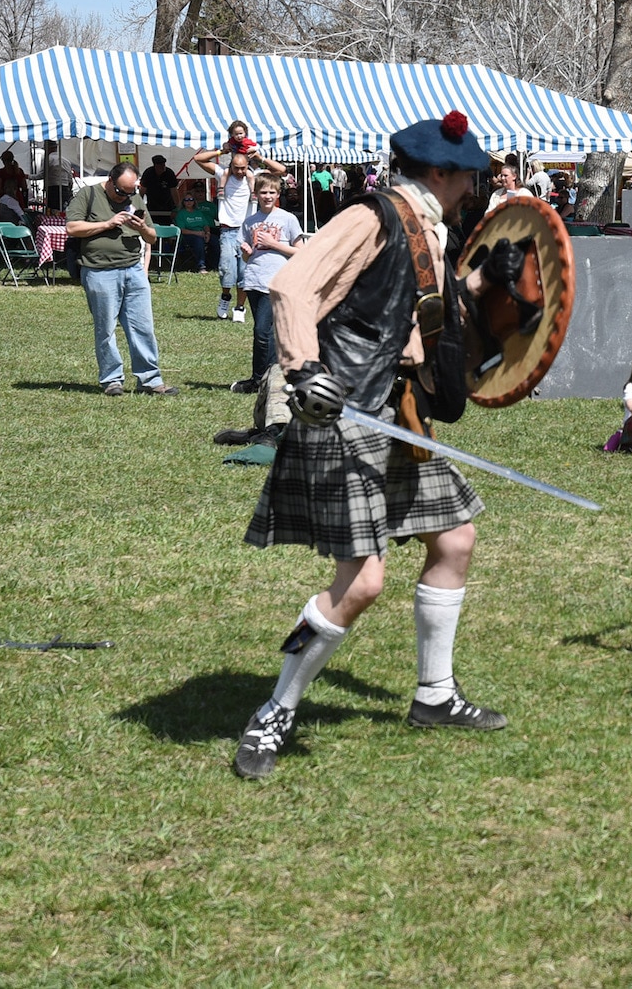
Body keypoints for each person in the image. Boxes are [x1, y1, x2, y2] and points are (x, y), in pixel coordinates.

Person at [234, 111, 504, 781]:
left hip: (398, 406)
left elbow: (413, 308)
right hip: (344, 408)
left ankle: (434, 696)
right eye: (467, 174)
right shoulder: (372, 216)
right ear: (437, 174)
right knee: (362, 583)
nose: (473, 185)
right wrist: (303, 369)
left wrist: (486, 283)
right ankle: (274, 710)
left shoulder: (427, 229)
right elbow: (291, 285)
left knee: (455, 539)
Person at [63, 162, 177, 397]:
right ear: (110, 182)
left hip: (133, 270)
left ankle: (150, 380)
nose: (126, 196)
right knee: (105, 328)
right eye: (121, 191)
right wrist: (107, 223)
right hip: (99, 271)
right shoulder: (89, 194)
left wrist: (143, 228)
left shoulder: (134, 198)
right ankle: (112, 380)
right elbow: (72, 228)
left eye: (131, 191)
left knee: (143, 327)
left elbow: (153, 237)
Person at [193, 125, 288, 323]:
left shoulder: (255, 175)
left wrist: (260, 157)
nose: (239, 171)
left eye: (243, 168)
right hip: (228, 230)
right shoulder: (222, 174)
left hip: (248, 231)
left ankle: (240, 307)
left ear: (247, 166)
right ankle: (225, 297)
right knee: (227, 269)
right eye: (236, 168)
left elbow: (282, 170)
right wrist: (222, 150)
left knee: (245, 271)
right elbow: (198, 159)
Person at [231, 173, 307, 393]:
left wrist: (274, 244)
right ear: (256, 194)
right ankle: (271, 379)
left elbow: (300, 252)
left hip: (277, 282)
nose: (267, 196)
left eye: (272, 192)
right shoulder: (249, 222)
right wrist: (246, 252)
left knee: (262, 331)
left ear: (278, 194)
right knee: (267, 332)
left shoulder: (288, 219)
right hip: (254, 280)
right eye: (263, 192)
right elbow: (247, 256)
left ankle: (258, 379)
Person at [173, 192, 215, 271]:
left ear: (194, 201)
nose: (189, 202)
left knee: (215, 241)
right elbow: (181, 230)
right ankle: (201, 266)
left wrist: (208, 234)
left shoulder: (198, 212)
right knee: (198, 241)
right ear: (183, 202)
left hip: (202, 233)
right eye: (186, 200)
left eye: (191, 199)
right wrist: (197, 233)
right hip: (188, 236)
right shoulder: (181, 214)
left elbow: (206, 225)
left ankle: (214, 264)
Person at [41, 141, 80, 210]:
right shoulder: (66, 160)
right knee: (63, 209)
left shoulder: (48, 159)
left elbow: (42, 175)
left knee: (53, 210)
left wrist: (29, 176)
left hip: (52, 188)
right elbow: (70, 177)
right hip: (64, 188)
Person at [139, 155, 179, 224]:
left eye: (163, 164)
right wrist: (139, 204)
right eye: (160, 165)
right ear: (155, 165)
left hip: (168, 205)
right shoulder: (148, 173)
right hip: (152, 205)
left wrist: (177, 208)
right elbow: (142, 190)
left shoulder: (169, 173)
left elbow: (174, 192)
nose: (162, 167)